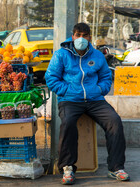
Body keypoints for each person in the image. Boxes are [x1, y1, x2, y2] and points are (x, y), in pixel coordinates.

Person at [45, 23, 130, 185]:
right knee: (68, 123)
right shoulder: (61, 55)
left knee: (114, 121)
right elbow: (51, 78)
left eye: (85, 35)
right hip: (70, 100)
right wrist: (67, 90)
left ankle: (116, 168)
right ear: (73, 36)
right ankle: (67, 167)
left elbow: (106, 77)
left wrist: (99, 89)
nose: (81, 39)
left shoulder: (97, 55)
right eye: (78, 35)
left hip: (95, 100)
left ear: (90, 37)